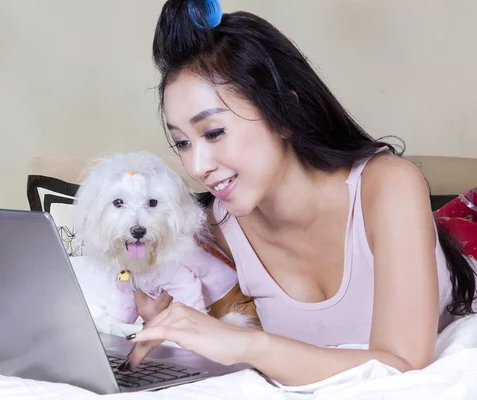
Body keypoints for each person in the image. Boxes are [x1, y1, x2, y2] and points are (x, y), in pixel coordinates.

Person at [119, 0, 477, 386]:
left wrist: (249, 344)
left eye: (213, 132)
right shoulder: (218, 227)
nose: (196, 167)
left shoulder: (386, 186)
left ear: (283, 114)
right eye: (182, 143)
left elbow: (404, 365)